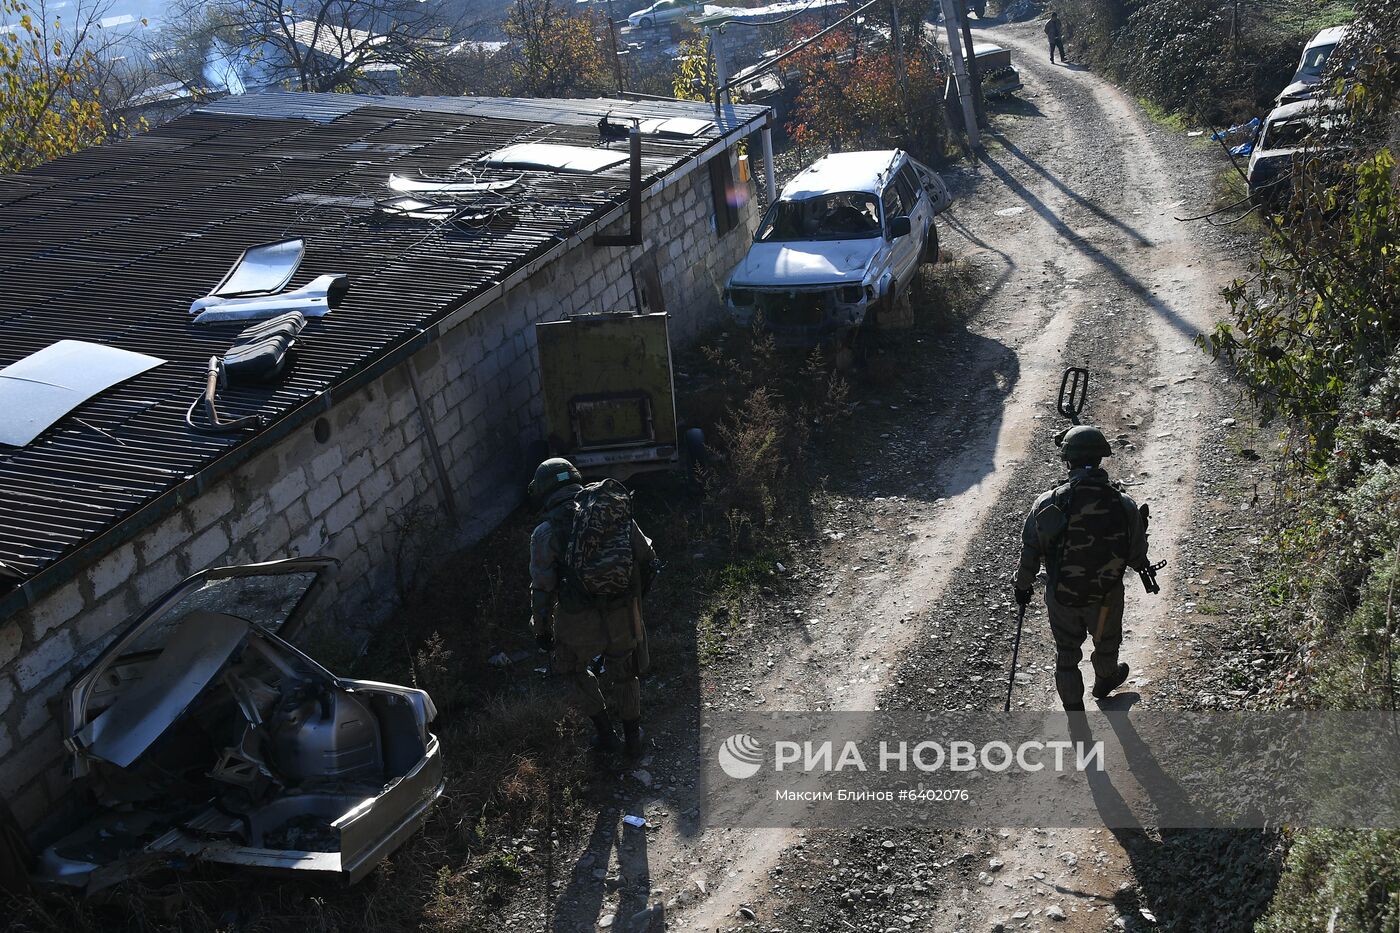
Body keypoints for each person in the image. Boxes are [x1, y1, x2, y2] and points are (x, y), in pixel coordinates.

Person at [1012, 426, 1148, 711]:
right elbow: (1136, 558)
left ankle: (1074, 710)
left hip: (1063, 596)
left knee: (1067, 653)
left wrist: (1022, 587)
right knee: (1106, 643)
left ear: (1067, 460)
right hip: (1105, 599)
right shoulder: (1124, 505)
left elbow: (1030, 551)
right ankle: (1105, 678)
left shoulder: (1047, 503)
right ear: (1101, 459)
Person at [528, 458, 657, 757]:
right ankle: (633, 741)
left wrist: (542, 629)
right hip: (622, 610)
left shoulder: (545, 532)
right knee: (625, 671)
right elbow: (647, 555)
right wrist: (634, 601)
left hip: (578, 618)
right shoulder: (609, 508)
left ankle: (606, 736)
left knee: (571, 668)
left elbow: (542, 588)